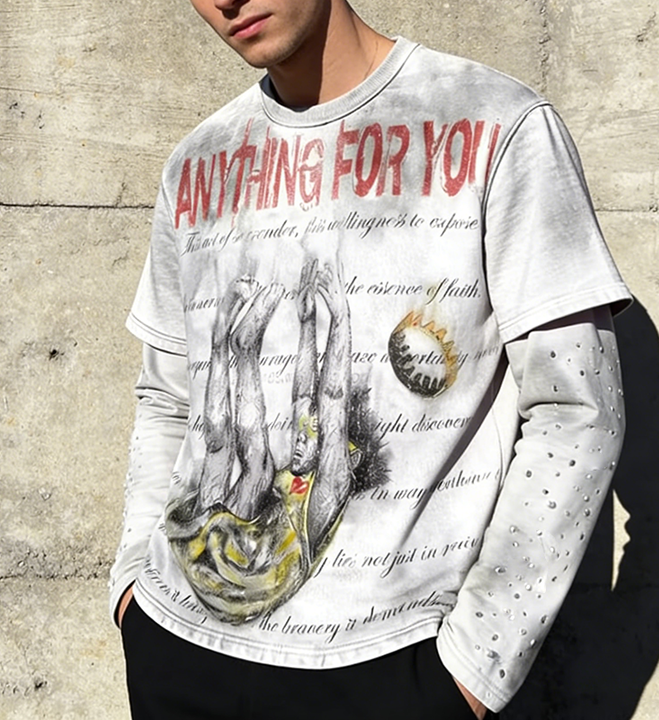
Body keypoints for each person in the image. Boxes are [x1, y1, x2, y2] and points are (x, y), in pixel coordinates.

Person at [110, 1, 632, 718]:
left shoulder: (496, 124)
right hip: (179, 649)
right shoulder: (197, 161)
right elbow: (169, 397)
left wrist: (473, 670)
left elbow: (577, 409)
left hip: (390, 670)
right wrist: (133, 591)